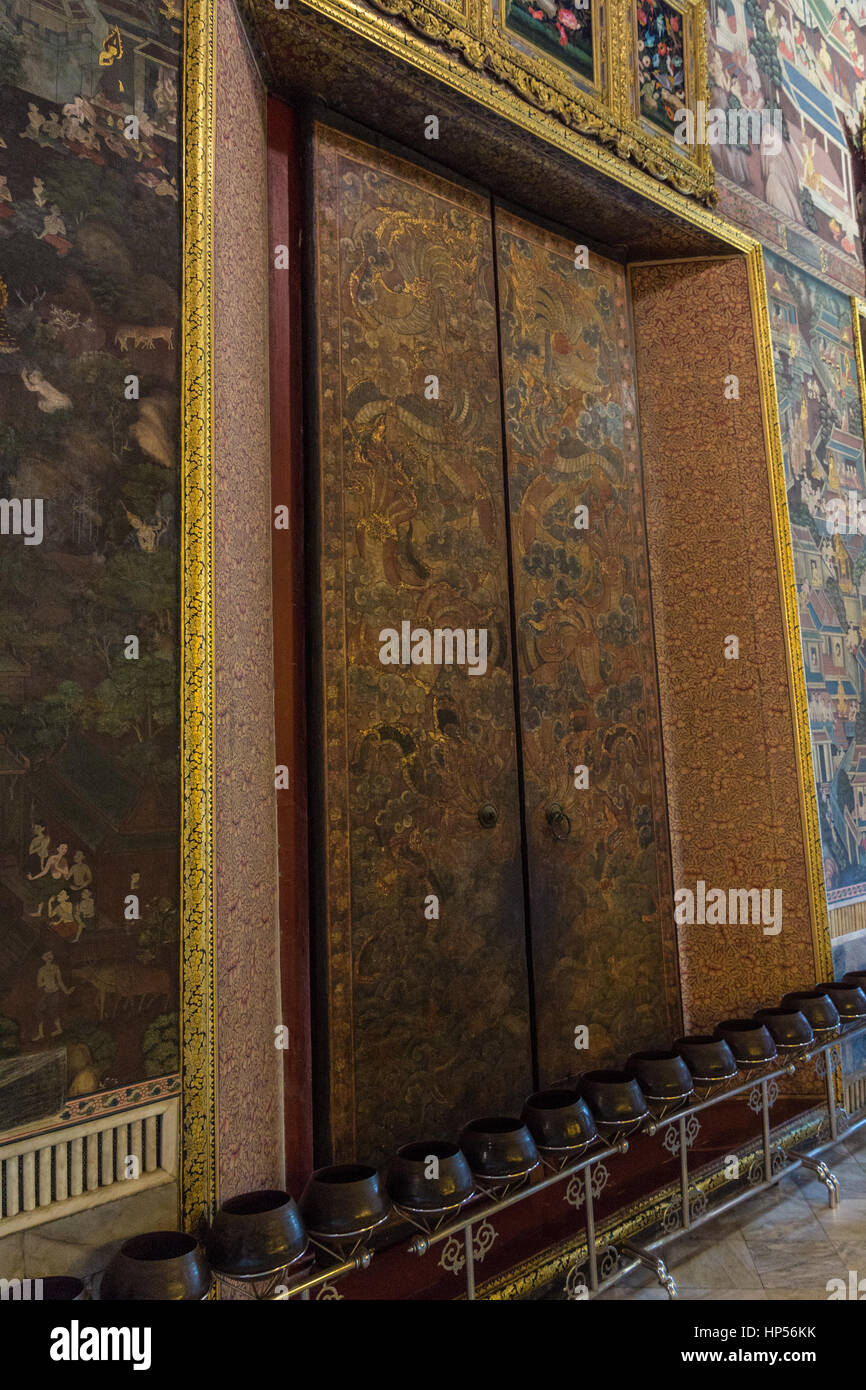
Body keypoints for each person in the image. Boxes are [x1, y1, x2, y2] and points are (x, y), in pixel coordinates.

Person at [32, 952, 74, 1040]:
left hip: (55, 992)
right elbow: (39, 984)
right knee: (39, 1010)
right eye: (46, 955)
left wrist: (66, 991)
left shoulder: (56, 967)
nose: (49, 957)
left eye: (50, 955)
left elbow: (60, 981)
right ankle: (40, 1034)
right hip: (46, 993)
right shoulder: (41, 970)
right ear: (43, 958)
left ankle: (59, 1029)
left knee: (53, 1010)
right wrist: (45, 982)